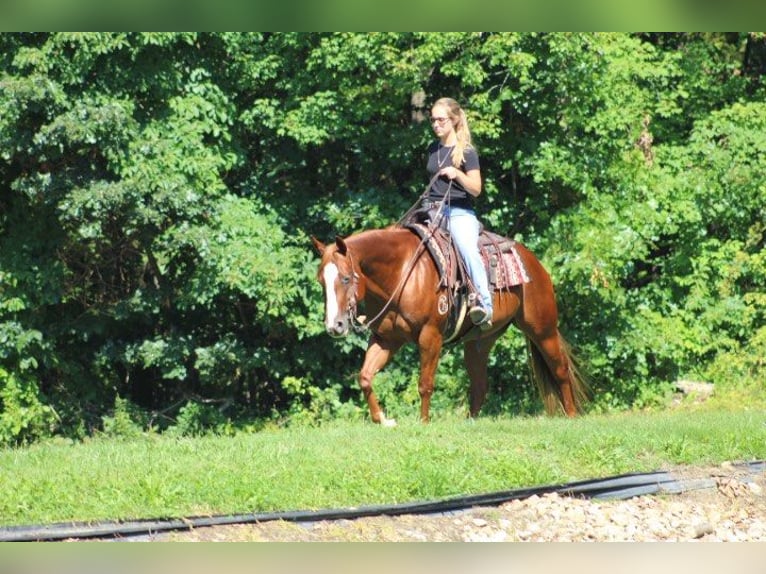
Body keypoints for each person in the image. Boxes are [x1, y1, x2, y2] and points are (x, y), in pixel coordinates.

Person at [425, 97, 492, 330]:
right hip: (431, 211)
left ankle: (485, 303)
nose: (436, 124)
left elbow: (476, 188)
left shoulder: (467, 152)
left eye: (441, 120)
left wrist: (457, 174)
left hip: (459, 212)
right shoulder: (432, 149)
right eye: (433, 120)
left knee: (466, 249)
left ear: (453, 120)